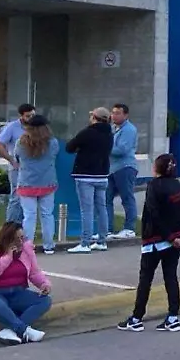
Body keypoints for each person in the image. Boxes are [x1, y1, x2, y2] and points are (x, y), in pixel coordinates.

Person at [119, 153, 180, 333]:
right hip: (175, 242)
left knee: (146, 279)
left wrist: (169, 236)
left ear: (157, 168)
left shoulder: (153, 186)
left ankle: (136, 318)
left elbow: (154, 213)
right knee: (171, 277)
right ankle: (173, 317)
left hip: (154, 241)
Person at [0, 221, 51, 344]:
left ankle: (10, 330)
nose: (21, 242)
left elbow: (34, 272)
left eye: (22, 238)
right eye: (16, 239)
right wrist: (7, 258)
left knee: (45, 301)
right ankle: (23, 330)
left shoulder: (26, 249)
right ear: (7, 239)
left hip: (18, 292)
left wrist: (44, 284)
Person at [65, 107, 114, 254]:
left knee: (86, 210)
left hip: (85, 175)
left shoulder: (87, 132)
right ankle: (102, 241)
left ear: (94, 118)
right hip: (102, 175)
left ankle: (85, 243)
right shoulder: (109, 133)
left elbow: (69, 147)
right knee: (101, 208)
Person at [14, 115, 58, 255]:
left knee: (29, 216)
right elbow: (54, 156)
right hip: (47, 183)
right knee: (47, 215)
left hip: (27, 183)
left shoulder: (21, 143)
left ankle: (27, 247)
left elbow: (17, 158)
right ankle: (48, 245)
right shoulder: (52, 143)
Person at [0, 103, 35, 225]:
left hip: (32, 169)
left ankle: (21, 226)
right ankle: (10, 226)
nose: (31, 118)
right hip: (17, 168)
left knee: (28, 198)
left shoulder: (36, 127)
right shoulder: (12, 127)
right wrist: (11, 160)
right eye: (28, 116)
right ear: (21, 116)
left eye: (33, 115)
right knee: (16, 197)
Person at [106, 103, 139, 240]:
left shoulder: (129, 129)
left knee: (127, 198)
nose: (114, 116)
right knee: (106, 198)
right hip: (111, 169)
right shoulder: (112, 128)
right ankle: (107, 229)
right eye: (113, 113)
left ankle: (129, 228)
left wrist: (104, 147)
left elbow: (122, 150)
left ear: (126, 115)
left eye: (118, 113)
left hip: (125, 167)